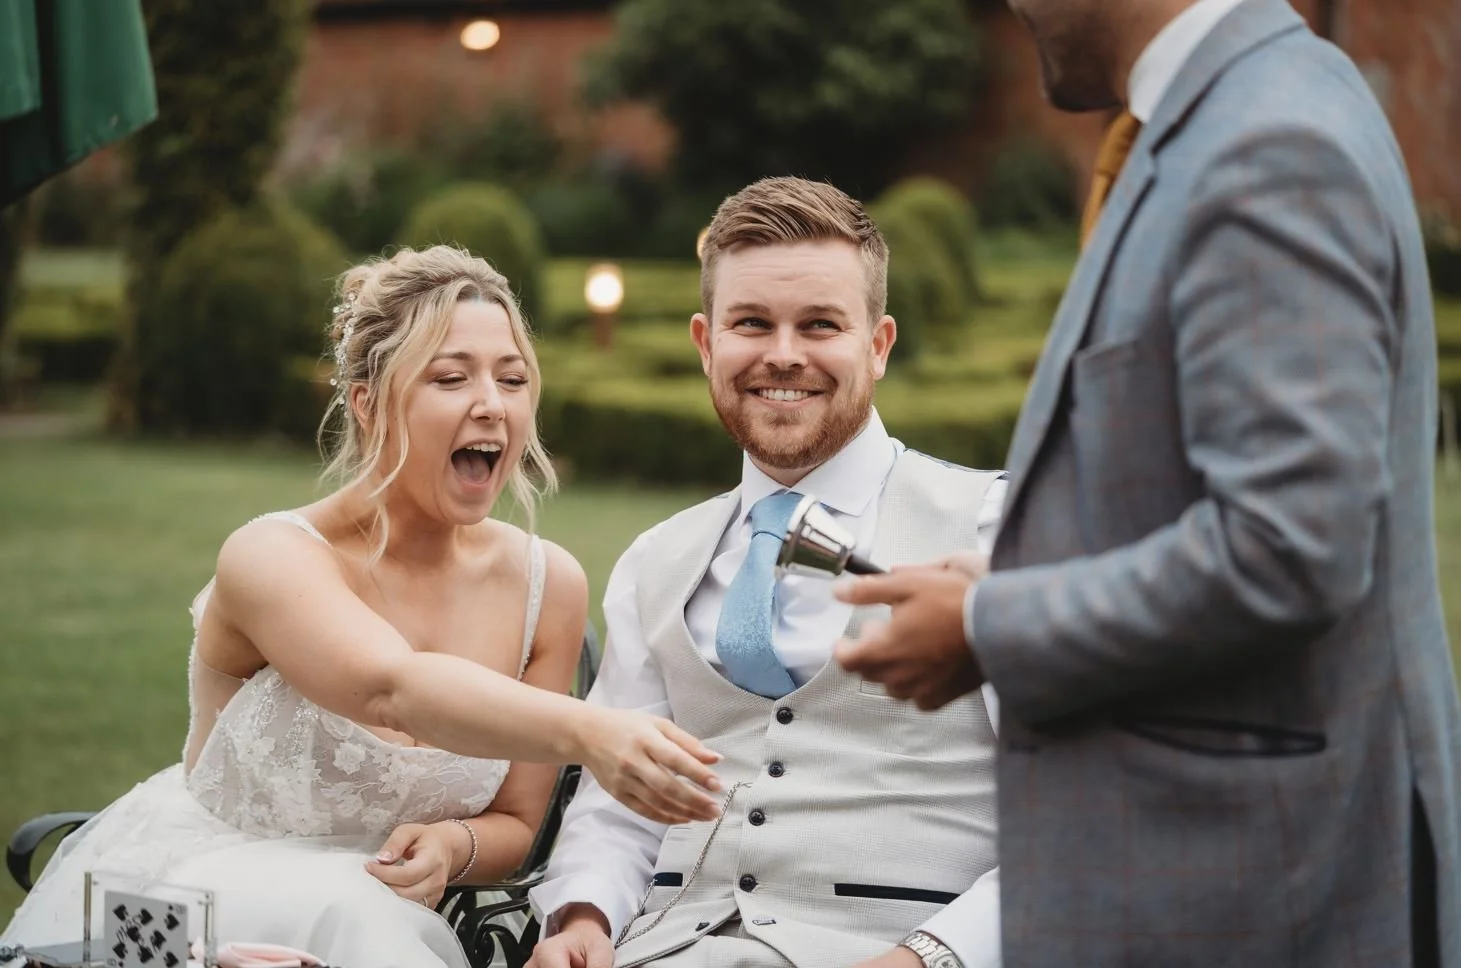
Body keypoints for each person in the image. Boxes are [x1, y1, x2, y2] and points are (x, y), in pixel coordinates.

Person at [834, 1, 1461, 965]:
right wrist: (1020, 577)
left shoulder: (1268, 143)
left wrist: (990, 626)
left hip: (1260, 890)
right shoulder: (1238, 111)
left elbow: (1289, 547)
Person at [0, 246, 723, 968]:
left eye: (511, 379)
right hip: (197, 906)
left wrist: (454, 844)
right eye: (450, 377)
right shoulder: (270, 557)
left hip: (377, 915)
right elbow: (392, 689)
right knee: (357, 913)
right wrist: (594, 730)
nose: (491, 404)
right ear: (367, 403)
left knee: (363, 912)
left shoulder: (548, 586)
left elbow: (516, 821)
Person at [525, 176, 1007, 968]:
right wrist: (582, 919)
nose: (782, 354)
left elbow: (1076, 803)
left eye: (819, 324)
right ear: (705, 344)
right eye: (751, 323)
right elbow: (618, 801)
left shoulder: (994, 527)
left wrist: (930, 955)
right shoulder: (654, 561)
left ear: (878, 345)